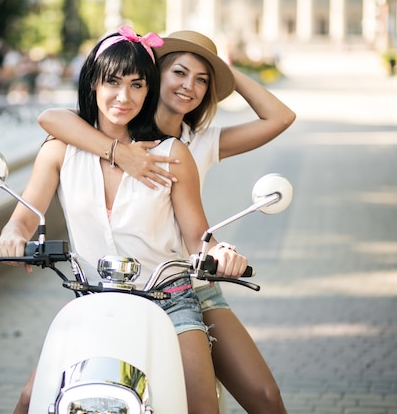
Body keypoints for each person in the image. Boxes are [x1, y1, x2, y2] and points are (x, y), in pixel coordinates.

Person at [38, 30, 296, 414]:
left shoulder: (196, 141)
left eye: (202, 80)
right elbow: (53, 120)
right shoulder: (102, 129)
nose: (189, 86)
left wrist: (225, 70)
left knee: (260, 397)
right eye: (179, 72)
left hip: (187, 284)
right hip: (115, 287)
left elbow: (281, 117)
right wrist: (121, 154)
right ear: (155, 75)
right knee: (37, 397)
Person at [0, 26, 249, 414]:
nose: (123, 96)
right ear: (93, 82)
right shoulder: (61, 150)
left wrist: (221, 250)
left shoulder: (172, 153)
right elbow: (25, 216)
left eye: (137, 85)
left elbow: (199, 234)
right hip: (91, 297)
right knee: (32, 401)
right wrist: (12, 236)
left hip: (170, 301)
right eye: (112, 81)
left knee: (199, 406)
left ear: (149, 92)